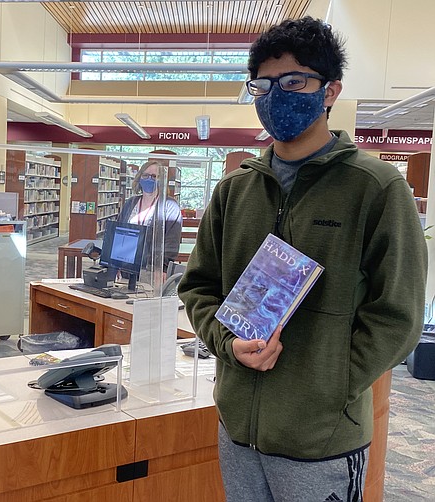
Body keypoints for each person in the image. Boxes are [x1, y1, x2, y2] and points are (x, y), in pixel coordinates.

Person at [178, 17, 427, 502]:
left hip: (322, 440)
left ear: (329, 91)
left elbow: (398, 316)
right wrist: (229, 344)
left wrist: (330, 386)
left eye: (295, 82)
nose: (277, 95)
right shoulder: (234, 190)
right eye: (263, 85)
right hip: (238, 430)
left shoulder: (376, 189)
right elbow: (199, 288)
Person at [117, 160, 182, 279]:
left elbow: (172, 241)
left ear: (161, 180)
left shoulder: (169, 205)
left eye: (154, 176)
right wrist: (115, 262)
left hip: (152, 269)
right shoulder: (131, 202)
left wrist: (163, 267)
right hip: (126, 264)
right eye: (145, 175)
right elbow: (119, 231)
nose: (149, 179)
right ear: (139, 177)